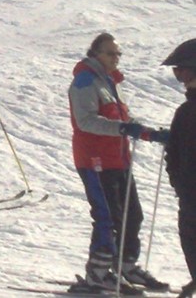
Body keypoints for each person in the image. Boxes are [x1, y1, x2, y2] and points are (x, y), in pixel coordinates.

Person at [68, 32, 170, 294]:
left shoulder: (112, 81)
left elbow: (123, 118)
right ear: (95, 54)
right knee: (108, 217)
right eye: (110, 53)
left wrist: (146, 132)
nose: (116, 58)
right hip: (95, 160)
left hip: (118, 159)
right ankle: (99, 272)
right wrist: (125, 129)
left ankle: (125, 264)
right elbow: (86, 121)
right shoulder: (85, 81)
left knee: (132, 215)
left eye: (118, 54)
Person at [164, 39, 196, 298]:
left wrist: (180, 184)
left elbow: (174, 157)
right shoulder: (185, 112)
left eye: (182, 71)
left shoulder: (186, 113)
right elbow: (173, 156)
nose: (180, 78)